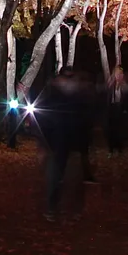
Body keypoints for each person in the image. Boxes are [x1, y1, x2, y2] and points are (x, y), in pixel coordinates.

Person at [36, 68, 94, 219]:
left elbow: (86, 122)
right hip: (57, 144)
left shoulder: (78, 98)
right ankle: (53, 208)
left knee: (72, 179)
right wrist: (43, 144)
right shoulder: (53, 98)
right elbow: (42, 121)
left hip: (72, 144)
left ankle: (71, 209)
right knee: (55, 178)